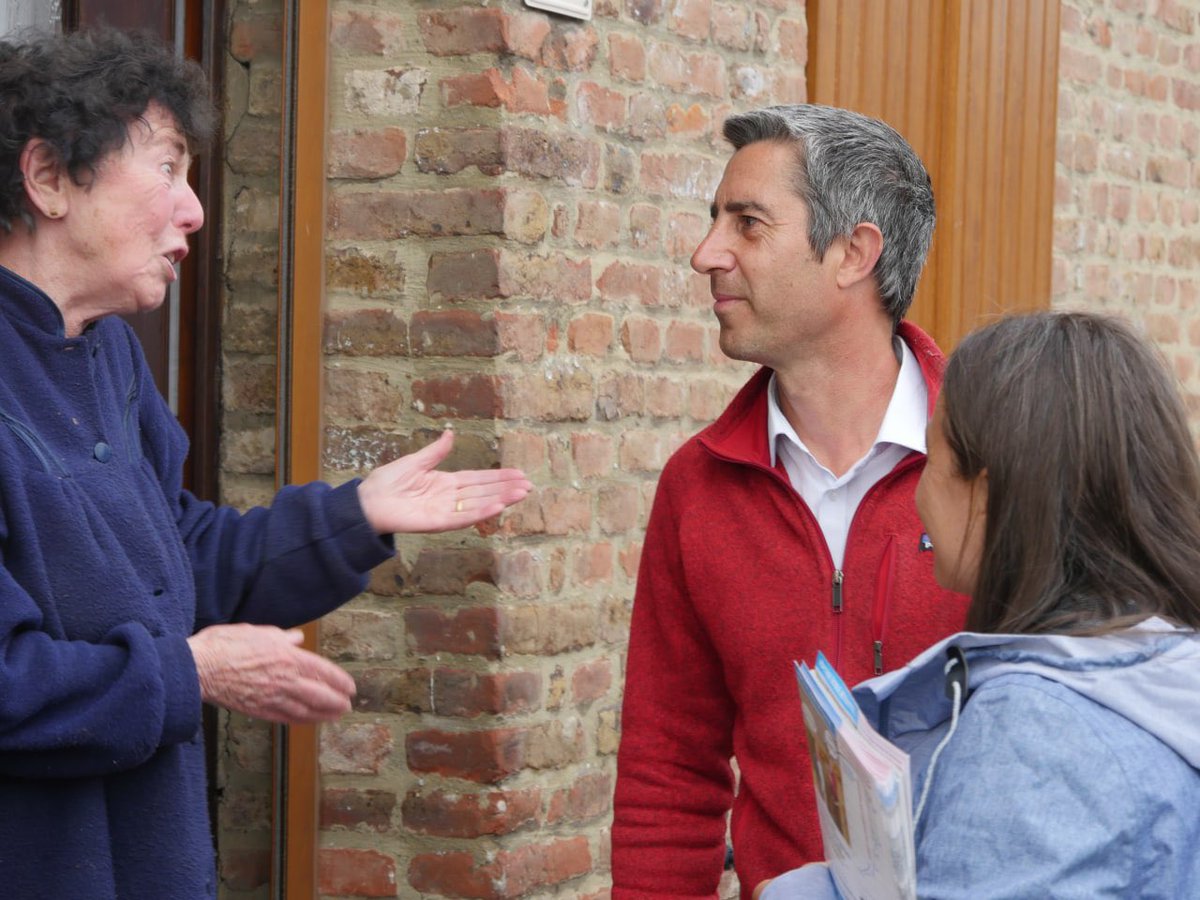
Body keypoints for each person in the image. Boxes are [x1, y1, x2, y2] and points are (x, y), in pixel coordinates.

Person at [0, 28, 532, 899]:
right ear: (49, 177)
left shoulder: (109, 358)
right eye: (168, 167)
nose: (194, 211)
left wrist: (353, 517)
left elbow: (177, 562)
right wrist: (192, 672)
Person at [611, 104, 970, 898]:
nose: (707, 253)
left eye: (748, 224)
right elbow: (668, 773)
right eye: (716, 220)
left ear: (854, 253)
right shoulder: (697, 488)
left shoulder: (997, 464)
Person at [760, 311, 1200, 898]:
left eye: (931, 461)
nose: (919, 497)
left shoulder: (1035, 732)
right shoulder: (1165, 667)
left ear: (987, 496)